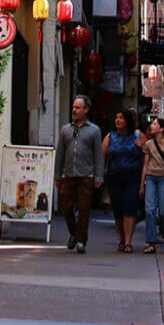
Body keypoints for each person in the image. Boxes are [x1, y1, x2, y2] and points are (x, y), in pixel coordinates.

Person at [55, 95, 104, 253]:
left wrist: (98, 176)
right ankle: (73, 233)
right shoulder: (65, 130)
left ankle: (81, 240)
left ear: (86, 110)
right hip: (68, 175)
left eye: (77, 108)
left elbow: (98, 155)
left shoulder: (94, 130)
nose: (74, 110)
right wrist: (57, 176)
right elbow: (60, 154)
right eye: (73, 107)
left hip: (86, 175)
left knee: (84, 210)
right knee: (66, 208)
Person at [102, 109, 143, 253]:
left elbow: (147, 153)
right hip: (114, 177)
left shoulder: (137, 135)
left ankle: (128, 242)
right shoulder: (110, 136)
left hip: (132, 176)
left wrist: (141, 147)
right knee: (117, 209)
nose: (118, 120)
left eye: (121, 118)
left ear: (127, 121)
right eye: (116, 117)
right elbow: (102, 156)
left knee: (130, 207)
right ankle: (121, 238)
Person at [140, 116, 164, 254]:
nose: (152, 126)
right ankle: (151, 241)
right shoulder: (148, 144)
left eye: (155, 124)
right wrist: (142, 184)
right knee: (149, 209)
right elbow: (145, 164)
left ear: (161, 129)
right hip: (150, 177)